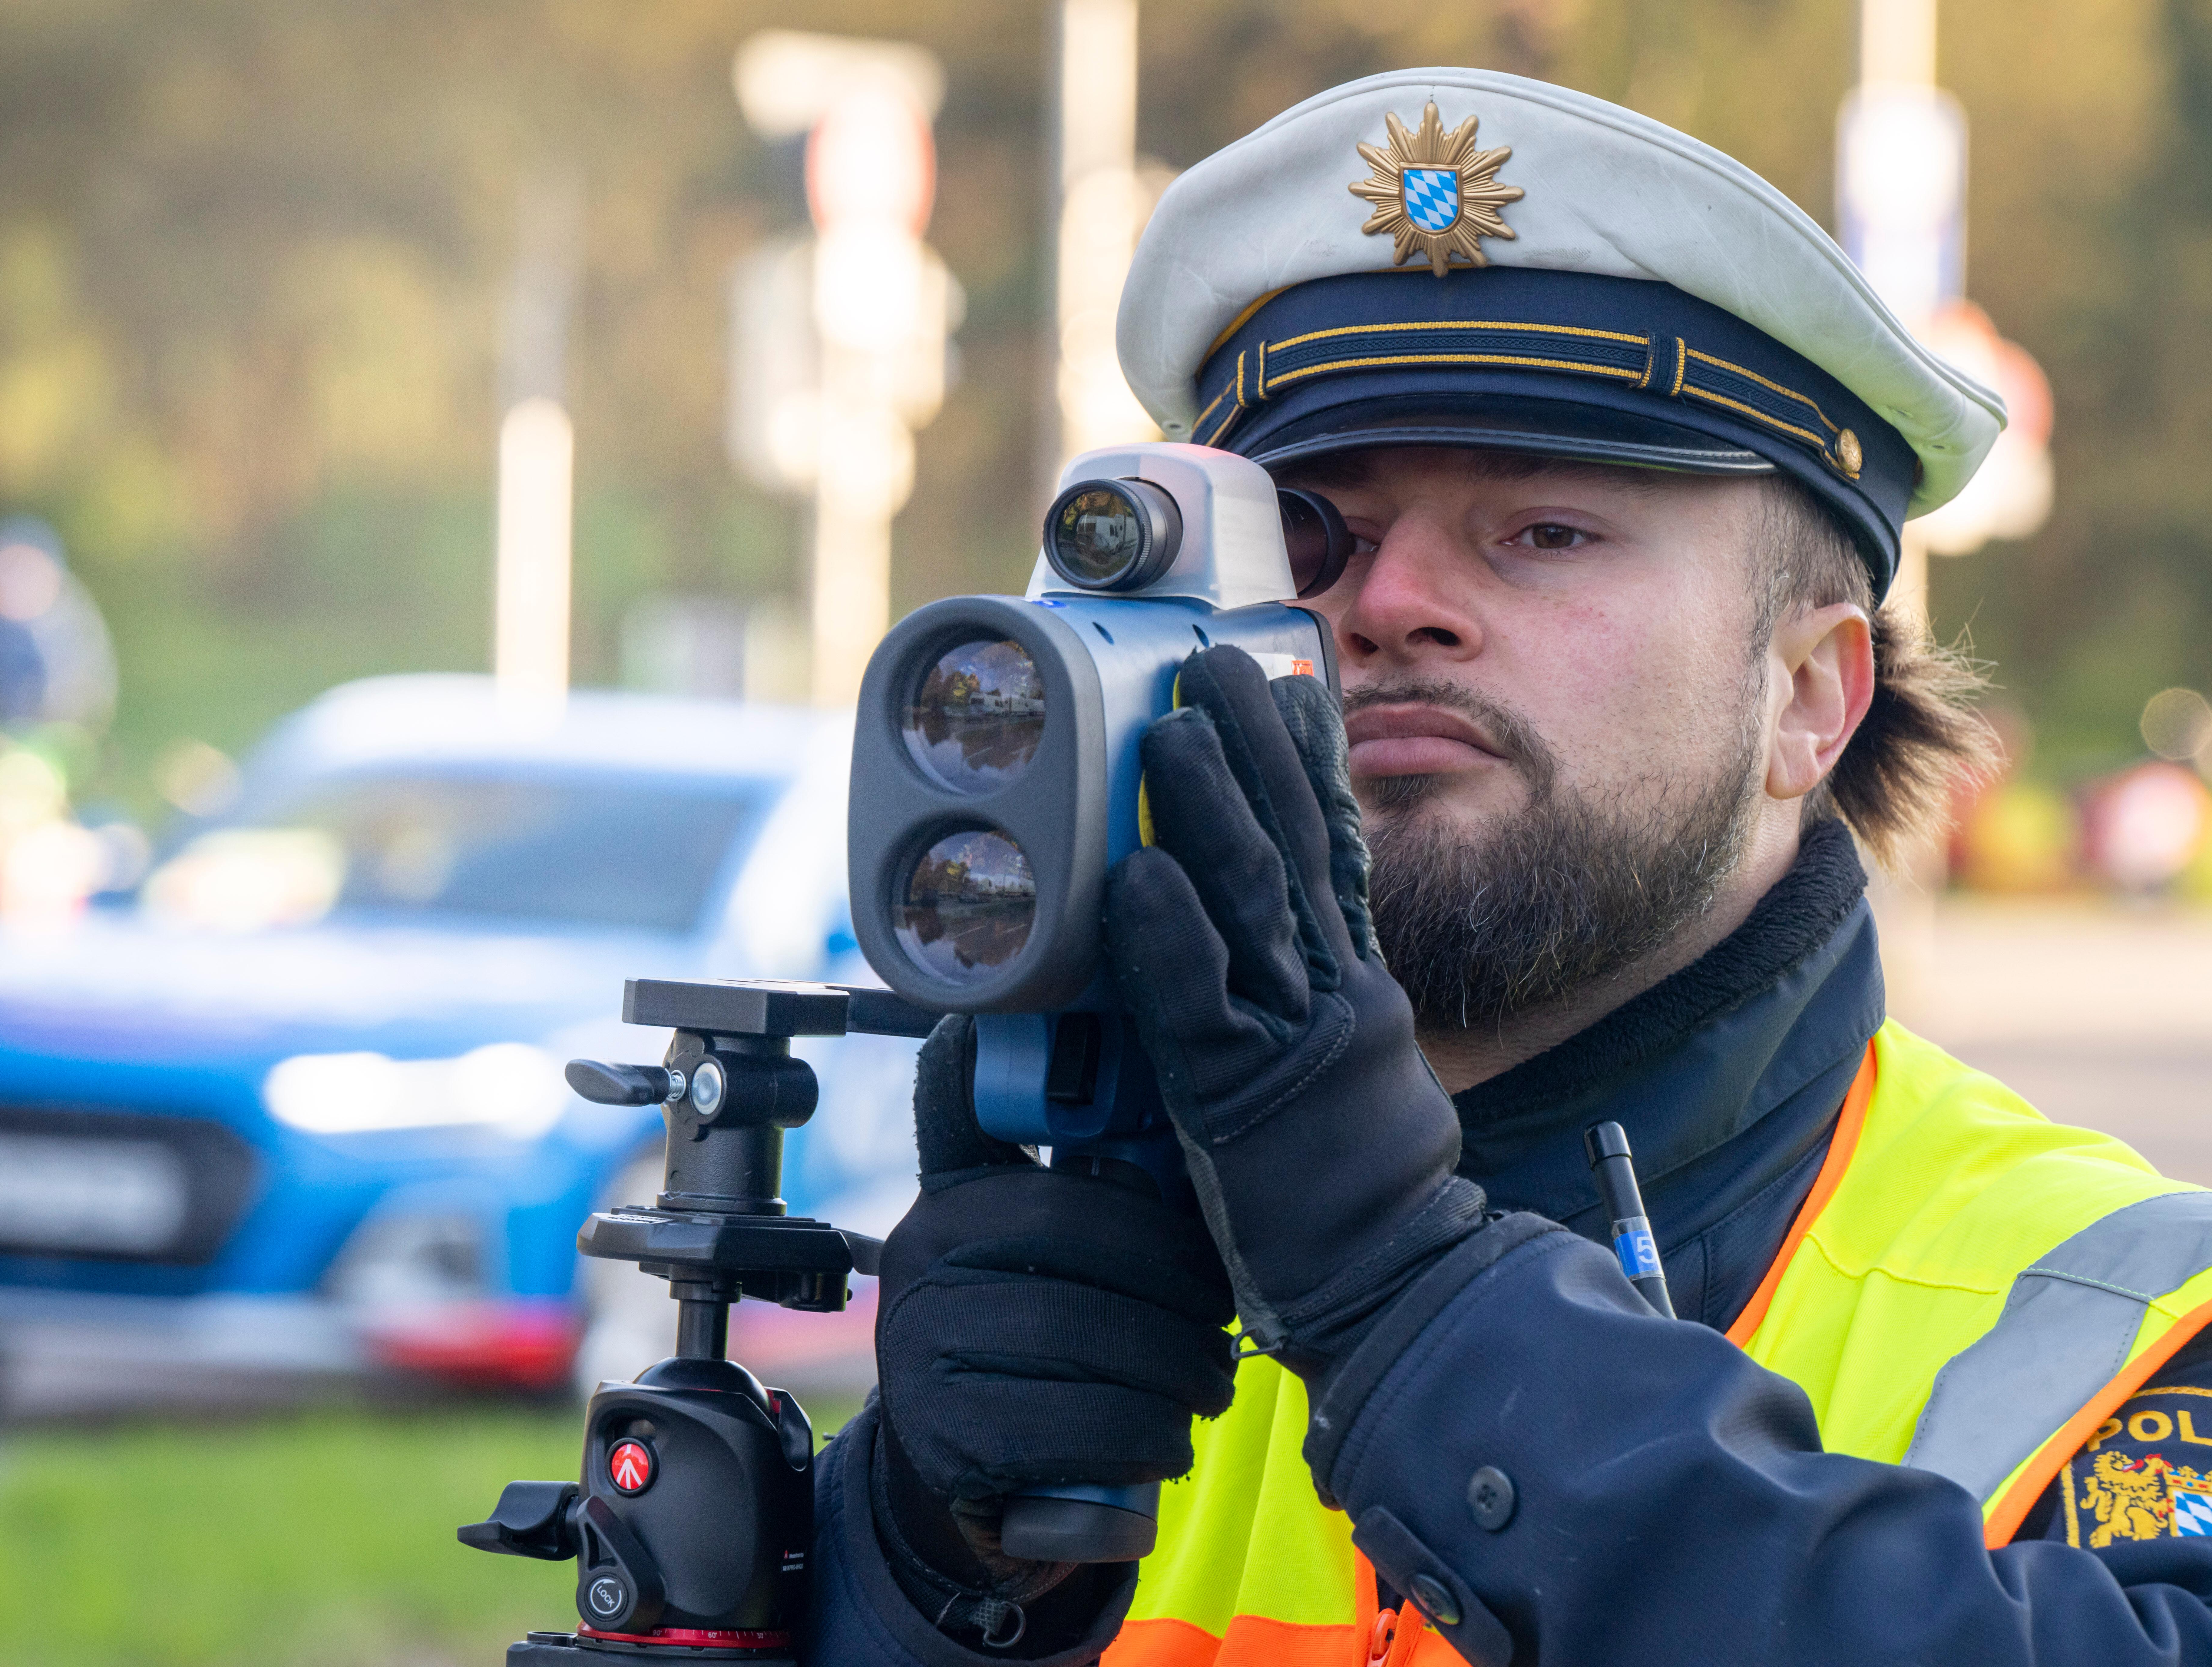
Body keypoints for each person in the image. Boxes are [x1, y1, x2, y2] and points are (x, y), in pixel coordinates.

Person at [797, 68, 2212, 1666]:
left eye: (1545, 530)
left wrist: (1410, 1304)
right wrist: (912, 1577)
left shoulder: (2127, 1323)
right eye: (1316, 539)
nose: (1393, 604)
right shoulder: (1121, 1302)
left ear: (1810, 697)